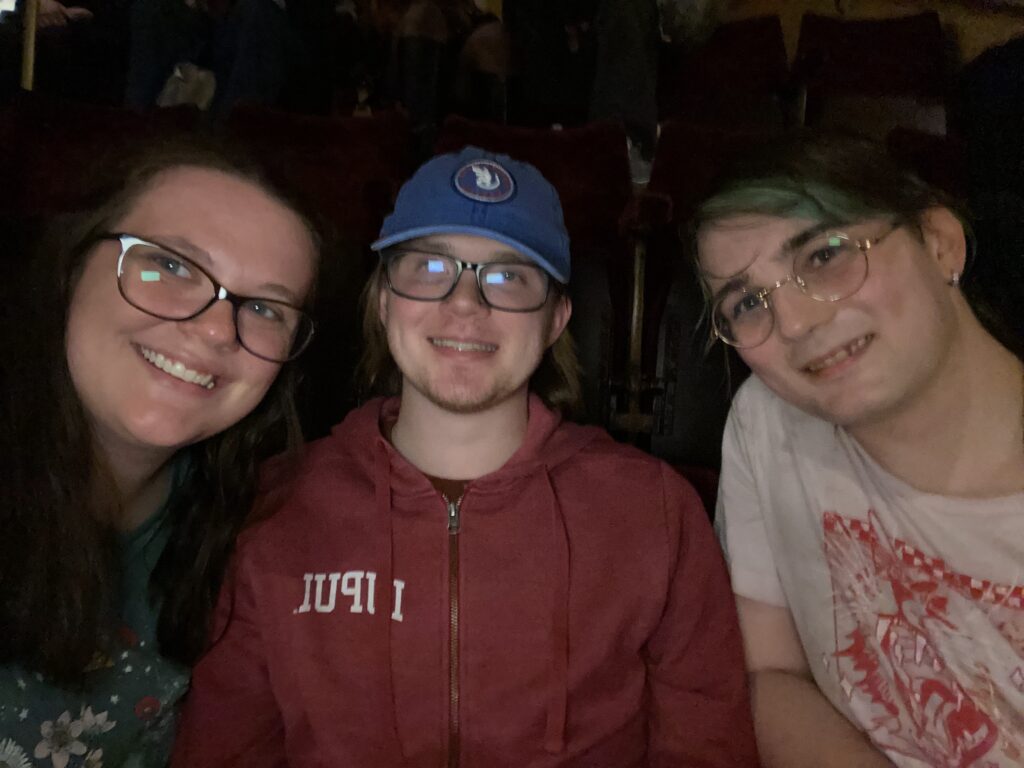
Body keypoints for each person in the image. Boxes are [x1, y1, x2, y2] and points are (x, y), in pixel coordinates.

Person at [172, 146, 759, 767]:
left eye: (507, 277)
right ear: (382, 301)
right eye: (430, 267)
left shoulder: (653, 512)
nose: (466, 306)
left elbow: (707, 745)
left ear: (557, 318)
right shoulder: (277, 506)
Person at [692, 134, 1024, 767]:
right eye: (747, 302)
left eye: (824, 256)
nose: (792, 324)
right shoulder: (769, 425)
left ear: (939, 243)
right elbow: (770, 673)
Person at [0, 140, 321, 767]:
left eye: (262, 308)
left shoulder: (248, 536)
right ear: (70, 266)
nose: (212, 328)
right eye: (172, 266)